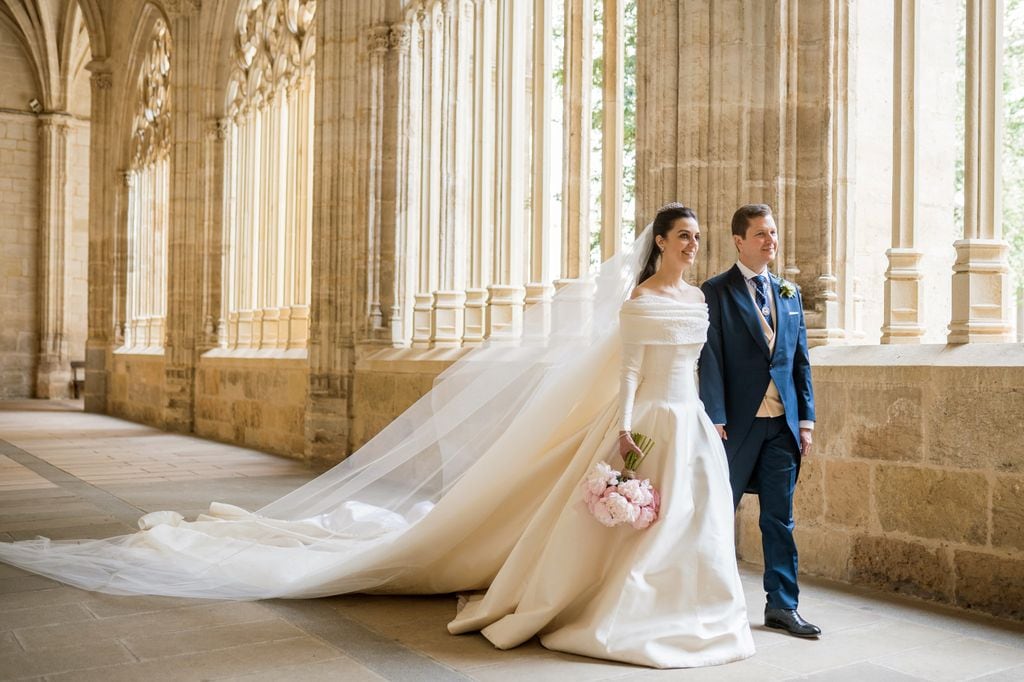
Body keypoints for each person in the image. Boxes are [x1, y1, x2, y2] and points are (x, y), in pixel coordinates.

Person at [0, 204, 753, 669]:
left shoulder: (696, 299)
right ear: (658, 241)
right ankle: (632, 609)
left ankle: (688, 607)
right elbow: (625, 377)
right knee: (640, 525)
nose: (691, 245)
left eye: (695, 237)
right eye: (682, 236)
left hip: (690, 423)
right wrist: (623, 438)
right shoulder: (640, 304)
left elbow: (703, 363)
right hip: (648, 421)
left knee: (693, 522)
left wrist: (707, 414)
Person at [697, 203, 821, 638]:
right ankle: (708, 603)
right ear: (739, 240)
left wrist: (805, 418)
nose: (771, 241)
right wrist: (715, 417)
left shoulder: (789, 292)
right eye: (761, 234)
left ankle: (783, 607)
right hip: (734, 427)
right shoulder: (715, 291)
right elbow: (708, 358)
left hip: (782, 427)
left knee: (779, 520)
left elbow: (800, 361)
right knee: (718, 514)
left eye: (773, 233)